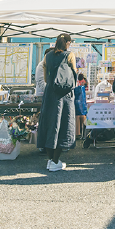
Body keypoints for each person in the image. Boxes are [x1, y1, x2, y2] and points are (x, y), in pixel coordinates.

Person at [38, 34, 78, 172]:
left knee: (49, 125)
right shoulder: (69, 55)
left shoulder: (47, 56)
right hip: (64, 95)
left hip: (50, 94)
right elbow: (74, 75)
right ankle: (55, 161)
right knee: (63, 126)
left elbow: (45, 77)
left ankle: (50, 160)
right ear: (67, 43)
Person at [74, 73, 88, 141]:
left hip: (77, 103)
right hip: (82, 104)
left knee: (77, 116)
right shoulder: (83, 83)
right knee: (83, 115)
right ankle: (84, 133)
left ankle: (77, 133)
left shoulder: (76, 82)